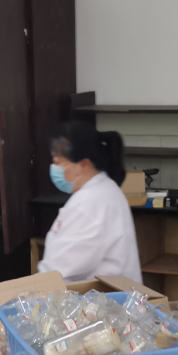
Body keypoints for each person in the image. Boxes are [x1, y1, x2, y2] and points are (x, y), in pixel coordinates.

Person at [37, 121, 142, 283]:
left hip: (102, 296)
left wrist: (34, 289)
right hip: (109, 292)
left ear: (83, 164)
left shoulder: (88, 203)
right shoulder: (103, 189)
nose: (54, 168)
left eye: (58, 163)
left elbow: (60, 271)